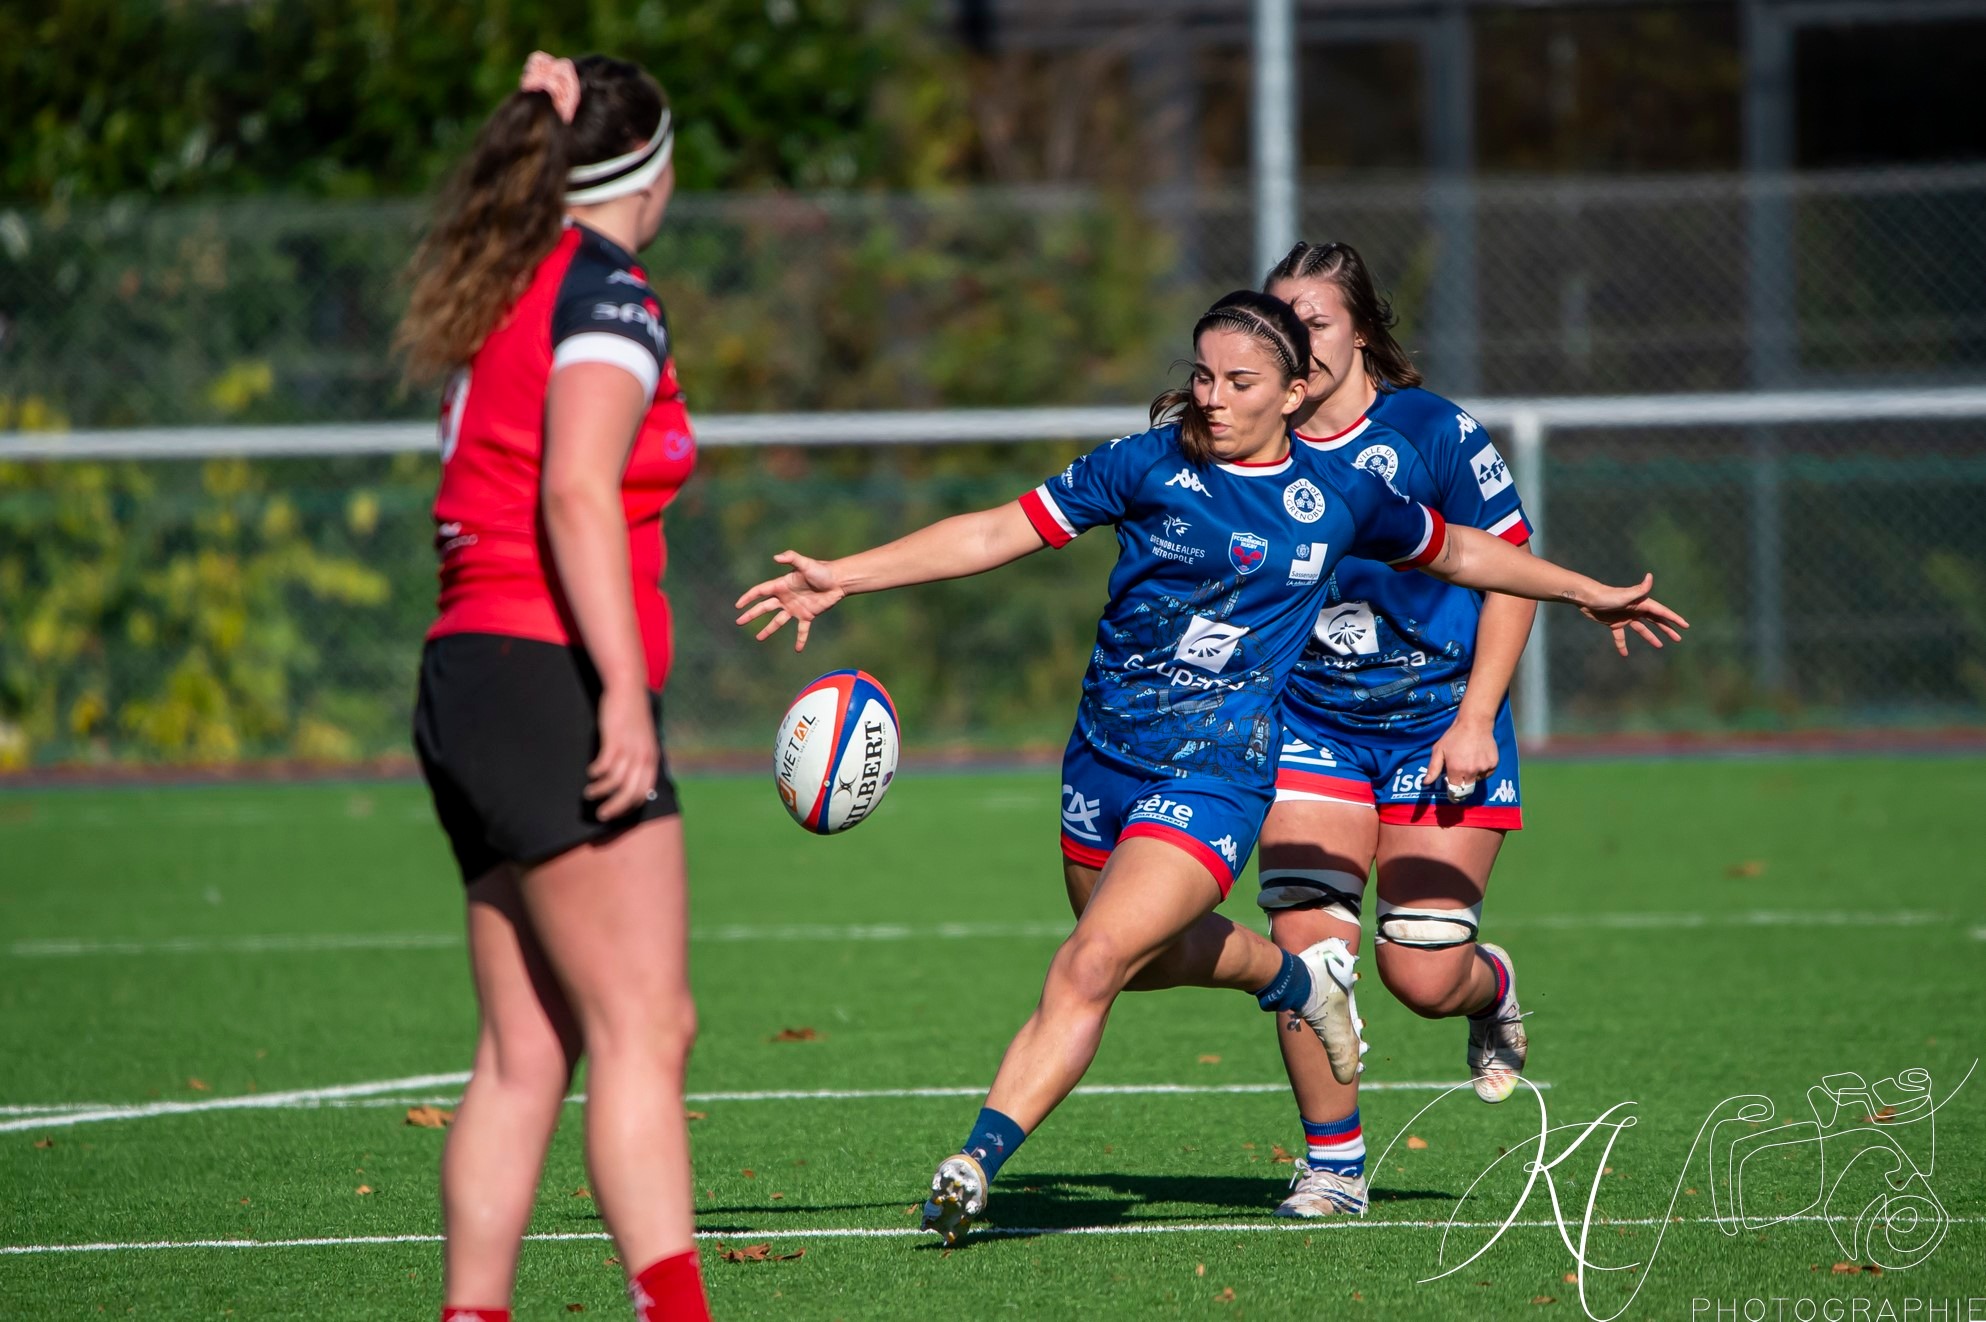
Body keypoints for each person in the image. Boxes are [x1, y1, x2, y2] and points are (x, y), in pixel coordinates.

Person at [736, 289, 1685, 1244]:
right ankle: (1287, 977)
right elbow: (996, 530)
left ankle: (973, 1163)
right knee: (1131, 955)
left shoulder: (1342, 494)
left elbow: (1466, 552)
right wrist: (845, 574)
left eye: (1240, 381)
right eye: (1202, 375)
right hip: (1104, 755)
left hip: (1218, 769)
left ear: (1293, 391)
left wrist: (1582, 592)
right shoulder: (1145, 464)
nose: (1214, 397)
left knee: (1093, 961)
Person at [395, 52, 709, 1322]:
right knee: (649, 1024)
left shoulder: (508, 286)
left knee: (529, 1047)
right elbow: (575, 489)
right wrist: (621, 694)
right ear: (655, 167)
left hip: (465, 676)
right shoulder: (607, 292)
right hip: (544, 677)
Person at [1253, 241, 1544, 1219]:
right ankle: (1333, 1166)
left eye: (1318, 322)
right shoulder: (1252, 440)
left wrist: (1475, 721)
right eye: (1281, 324)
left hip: (1438, 724)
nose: (1298, 343)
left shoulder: (1431, 432)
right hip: (1313, 725)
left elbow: (1510, 567)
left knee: (1420, 973)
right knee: (1312, 953)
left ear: (1365, 331)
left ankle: (1488, 983)